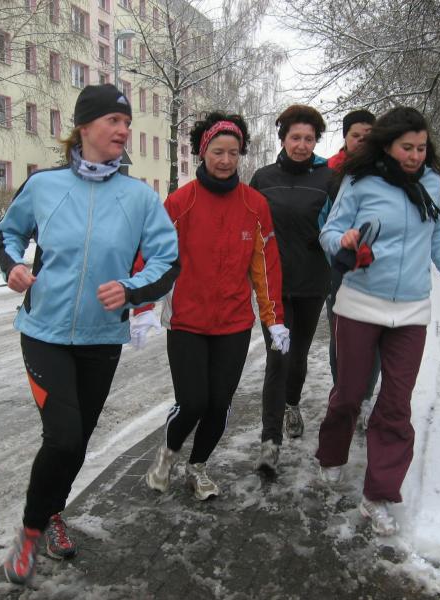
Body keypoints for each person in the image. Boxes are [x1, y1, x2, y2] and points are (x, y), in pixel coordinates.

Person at [0, 83, 180, 585]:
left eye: (127, 123)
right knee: (62, 436)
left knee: (76, 442)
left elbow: (167, 260)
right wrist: (14, 267)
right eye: (113, 121)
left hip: (101, 338)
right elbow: (8, 234)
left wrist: (132, 288)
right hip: (44, 331)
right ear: (84, 127)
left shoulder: (139, 197)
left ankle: (53, 510)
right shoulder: (43, 186)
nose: (124, 130)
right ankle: (30, 533)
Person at [317, 107, 440, 536]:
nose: (416, 156)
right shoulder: (359, 181)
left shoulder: (431, 182)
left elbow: (434, 235)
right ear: (387, 146)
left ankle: (379, 494)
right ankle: (331, 454)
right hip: (361, 302)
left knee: (396, 403)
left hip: (412, 308)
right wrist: (345, 239)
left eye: (421, 148)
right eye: (407, 148)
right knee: (350, 393)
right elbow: (329, 233)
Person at [139, 112, 288, 500]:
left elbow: (266, 268)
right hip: (187, 321)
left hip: (233, 324)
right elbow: (151, 255)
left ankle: (198, 467)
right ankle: (167, 456)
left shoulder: (254, 205)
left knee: (219, 404)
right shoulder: (180, 203)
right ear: (203, 152)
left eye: (233, 153)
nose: (225, 160)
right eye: (218, 152)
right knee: (192, 403)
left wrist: (274, 319)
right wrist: (140, 307)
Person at [250, 105, 333, 473]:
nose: (301, 145)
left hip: (313, 282)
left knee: (297, 357)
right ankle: (270, 442)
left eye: (309, 139)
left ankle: (292, 404)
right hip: (273, 286)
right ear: (283, 139)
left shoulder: (330, 179)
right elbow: (249, 225)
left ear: (316, 142)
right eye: (295, 137)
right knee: (278, 358)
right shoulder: (263, 178)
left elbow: (342, 221)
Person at [326, 110, 381, 431]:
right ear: (345, 138)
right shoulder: (332, 172)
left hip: (378, 267)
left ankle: (366, 397)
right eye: (355, 136)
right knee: (341, 336)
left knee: (374, 336)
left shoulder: (388, 170)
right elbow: (322, 221)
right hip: (341, 267)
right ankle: (343, 393)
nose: (361, 142)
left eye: (367, 136)